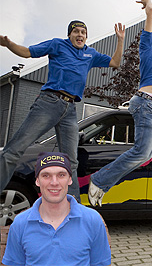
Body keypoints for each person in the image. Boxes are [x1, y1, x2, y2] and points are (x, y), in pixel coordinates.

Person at [0, 21, 125, 202]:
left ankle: (73, 209)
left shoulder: (90, 54)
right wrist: (9, 44)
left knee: (71, 162)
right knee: (13, 151)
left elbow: (115, 62)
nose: (80, 35)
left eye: (83, 32)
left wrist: (120, 40)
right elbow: (26, 52)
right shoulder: (57, 44)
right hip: (49, 103)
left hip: (70, 109)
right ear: (70, 35)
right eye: (76, 31)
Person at [88, 0, 152, 206]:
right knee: (140, 152)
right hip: (145, 103)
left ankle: (102, 183)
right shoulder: (148, 45)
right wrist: (149, 6)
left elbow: (150, 75)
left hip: (150, 104)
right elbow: (150, 14)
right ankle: (99, 181)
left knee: (146, 154)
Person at [2, 152, 111, 266]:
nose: (54, 182)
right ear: (37, 181)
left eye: (61, 175)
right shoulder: (20, 223)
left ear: (70, 179)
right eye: (46, 175)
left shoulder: (92, 220)